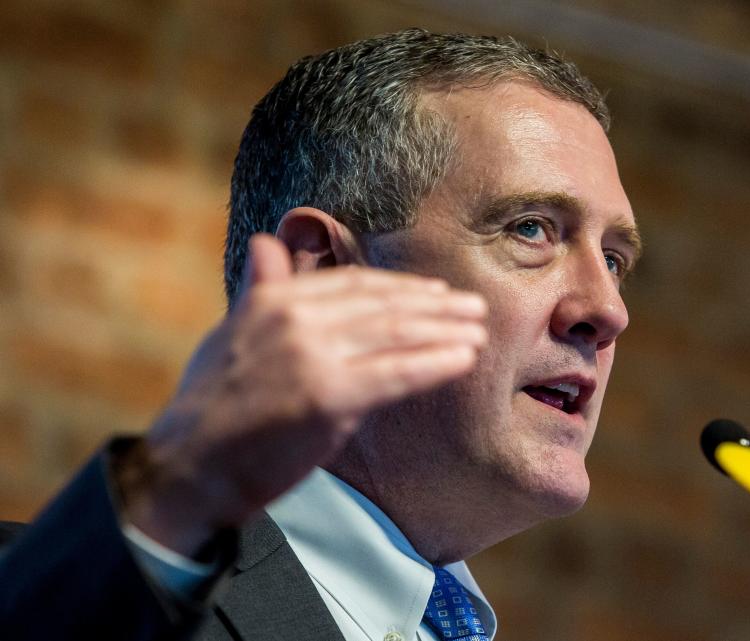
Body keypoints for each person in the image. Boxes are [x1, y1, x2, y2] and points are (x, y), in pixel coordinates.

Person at [0, 28, 640, 641]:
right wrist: (182, 487)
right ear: (327, 272)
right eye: (531, 229)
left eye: (614, 259)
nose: (608, 309)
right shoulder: (49, 605)